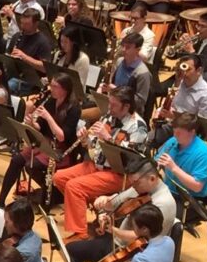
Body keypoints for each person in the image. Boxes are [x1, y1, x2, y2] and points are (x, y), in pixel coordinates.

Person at [57, 159, 178, 262]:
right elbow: (114, 203)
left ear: (152, 179)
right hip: (117, 242)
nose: (133, 186)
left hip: (134, 253)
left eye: (135, 182)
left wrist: (114, 230)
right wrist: (104, 202)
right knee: (71, 250)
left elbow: (145, 239)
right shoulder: (139, 188)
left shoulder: (164, 203)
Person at [53, 87, 149, 239]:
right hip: (97, 165)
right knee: (59, 177)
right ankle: (98, 210)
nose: (109, 107)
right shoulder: (109, 117)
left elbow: (131, 158)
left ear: (126, 106)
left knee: (74, 187)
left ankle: (80, 233)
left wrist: (109, 138)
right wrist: (86, 139)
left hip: (119, 173)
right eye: (109, 103)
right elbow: (94, 144)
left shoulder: (138, 127)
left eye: (114, 105)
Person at [0, 73, 80, 206]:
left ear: (65, 89)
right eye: (51, 85)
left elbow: (62, 136)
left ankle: (54, 193)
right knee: (16, 160)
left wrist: (48, 117)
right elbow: (40, 127)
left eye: (55, 86)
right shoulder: (51, 101)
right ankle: (1, 200)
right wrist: (32, 123)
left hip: (61, 150)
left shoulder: (74, 109)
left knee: (31, 166)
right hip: (45, 142)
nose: (51, 89)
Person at [153, 113, 207, 202]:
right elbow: (157, 160)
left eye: (179, 133)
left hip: (189, 198)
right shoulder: (173, 141)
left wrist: (173, 167)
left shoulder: (203, 153)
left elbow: (197, 186)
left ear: (192, 132)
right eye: (174, 131)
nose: (175, 135)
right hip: (168, 190)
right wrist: (156, 164)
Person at [6, 8, 53, 95]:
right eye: (22, 23)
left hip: (31, 80)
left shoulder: (43, 42)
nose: (22, 26)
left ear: (36, 24)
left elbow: (45, 68)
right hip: (14, 73)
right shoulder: (17, 36)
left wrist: (24, 57)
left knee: (8, 86)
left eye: (26, 24)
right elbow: (7, 55)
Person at [105, 33, 154, 112]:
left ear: (138, 50)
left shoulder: (142, 73)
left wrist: (116, 91)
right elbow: (113, 83)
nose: (123, 49)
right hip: (114, 106)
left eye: (128, 47)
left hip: (130, 113)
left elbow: (140, 101)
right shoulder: (119, 61)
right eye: (123, 46)